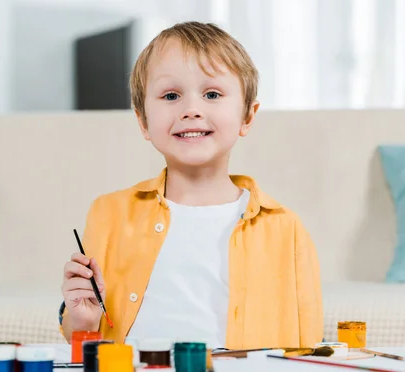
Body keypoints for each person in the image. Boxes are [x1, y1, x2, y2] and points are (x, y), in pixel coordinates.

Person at [59, 21, 323, 350]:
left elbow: (308, 344)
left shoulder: (286, 228)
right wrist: (83, 321)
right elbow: (80, 340)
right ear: (143, 121)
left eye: (212, 94)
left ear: (247, 116)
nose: (191, 110)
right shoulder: (108, 214)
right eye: (171, 95)